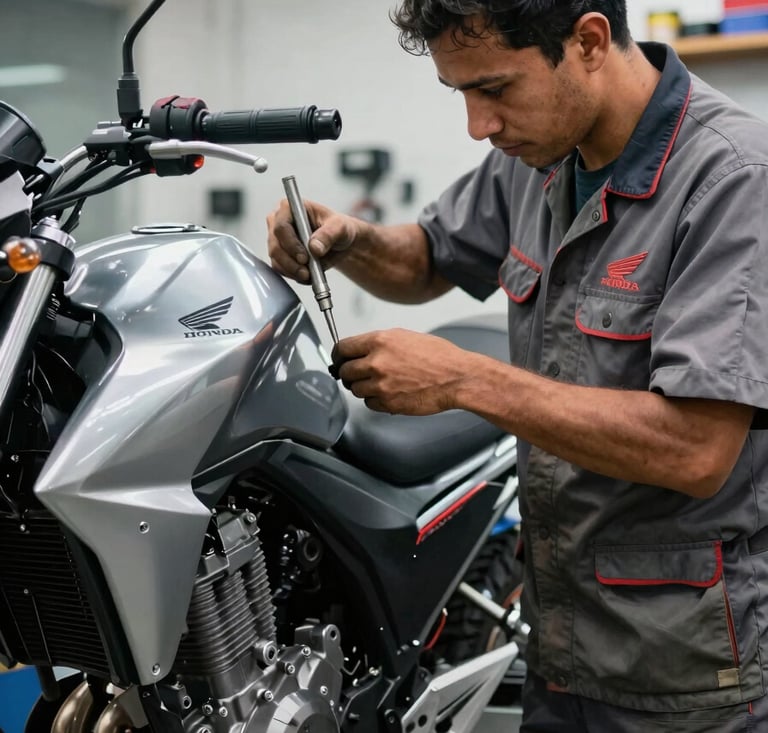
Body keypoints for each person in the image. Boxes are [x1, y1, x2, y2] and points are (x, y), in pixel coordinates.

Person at [267, 1, 768, 730]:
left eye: (495, 89)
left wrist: (463, 380)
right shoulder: (536, 159)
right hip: (558, 644)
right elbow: (433, 256)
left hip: (687, 675)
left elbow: (695, 448)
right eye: (462, 94)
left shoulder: (732, 179)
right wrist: (352, 242)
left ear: (589, 41)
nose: (479, 124)